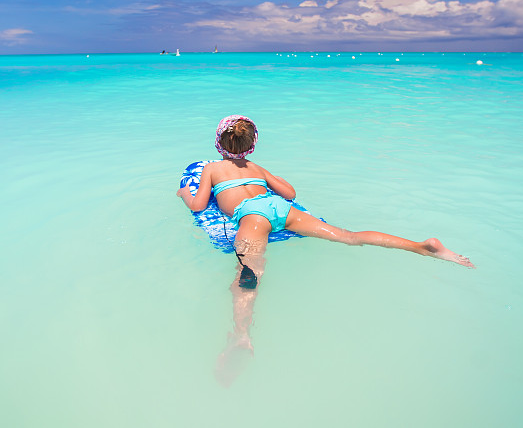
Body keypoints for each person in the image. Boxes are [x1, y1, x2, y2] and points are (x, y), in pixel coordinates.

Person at [176, 115, 474, 384]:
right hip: (279, 208)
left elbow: (200, 205)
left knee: (248, 271)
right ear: (251, 145)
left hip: (253, 217)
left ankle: (241, 334)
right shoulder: (256, 167)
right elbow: (290, 193)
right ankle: (423, 247)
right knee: (349, 236)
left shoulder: (213, 169)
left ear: (219, 144)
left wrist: (184, 195)